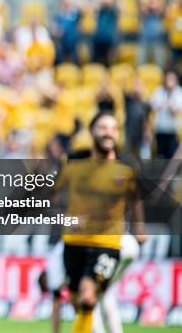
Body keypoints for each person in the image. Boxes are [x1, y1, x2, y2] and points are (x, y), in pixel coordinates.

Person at [55, 110, 146, 333]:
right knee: (78, 301)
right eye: (103, 128)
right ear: (92, 132)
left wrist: (139, 228)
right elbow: (52, 196)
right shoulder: (74, 163)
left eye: (113, 129)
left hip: (107, 243)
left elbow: (136, 199)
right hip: (74, 242)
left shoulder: (127, 167)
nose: (109, 133)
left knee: (88, 295)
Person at [151, 70, 182, 159]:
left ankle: (170, 173)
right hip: (160, 128)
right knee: (160, 155)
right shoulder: (158, 91)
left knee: (171, 155)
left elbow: (179, 111)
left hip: (173, 130)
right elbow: (153, 107)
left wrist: (171, 105)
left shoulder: (179, 92)